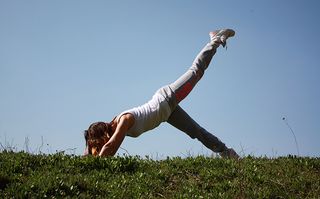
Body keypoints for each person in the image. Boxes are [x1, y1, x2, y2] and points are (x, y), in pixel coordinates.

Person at [83, 28, 239, 159]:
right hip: (166, 113)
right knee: (196, 131)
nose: (99, 148)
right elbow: (93, 149)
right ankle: (228, 153)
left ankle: (215, 40)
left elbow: (111, 147)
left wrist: (97, 164)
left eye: (98, 143)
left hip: (166, 98)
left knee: (196, 71)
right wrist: (87, 154)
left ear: (103, 134)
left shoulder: (124, 120)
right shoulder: (114, 128)